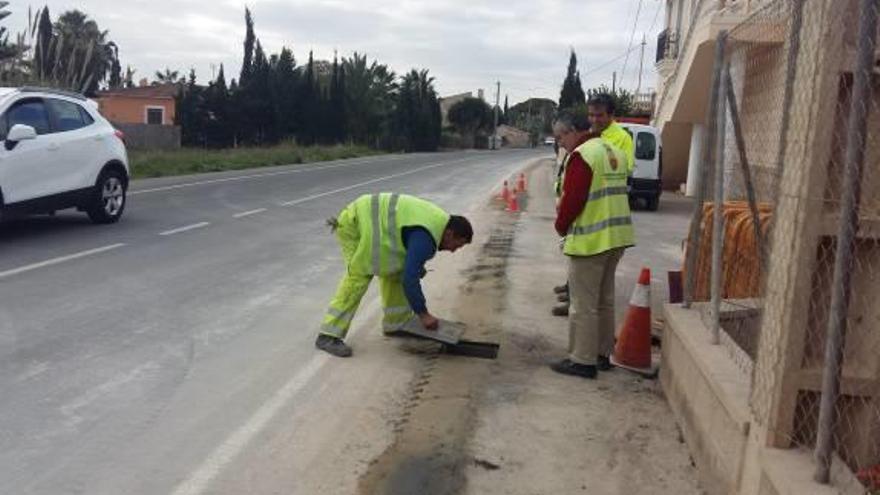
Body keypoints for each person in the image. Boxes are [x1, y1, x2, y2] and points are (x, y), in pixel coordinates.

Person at [316, 193, 473, 358]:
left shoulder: (437, 224)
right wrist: (423, 314)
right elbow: (409, 279)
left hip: (374, 226)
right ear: (449, 234)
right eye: (457, 245)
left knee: (395, 271)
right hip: (356, 224)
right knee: (359, 276)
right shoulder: (427, 238)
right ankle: (328, 336)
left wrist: (415, 268)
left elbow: (409, 255)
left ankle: (395, 325)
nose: (453, 250)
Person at [550, 110, 635, 379]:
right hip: (617, 237)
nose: (560, 144)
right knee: (604, 300)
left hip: (591, 241)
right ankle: (601, 355)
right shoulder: (613, 151)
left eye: (560, 137)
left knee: (583, 302)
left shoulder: (583, 155)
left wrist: (561, 226)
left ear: (572, 132)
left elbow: (574, 198)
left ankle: (582, 361)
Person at [586, 93, 635, 174]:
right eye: (591, 115)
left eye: (599, 115)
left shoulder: (623, 138)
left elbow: (628, 170)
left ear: (611, 115)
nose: (594, 120)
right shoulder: (586, 135)